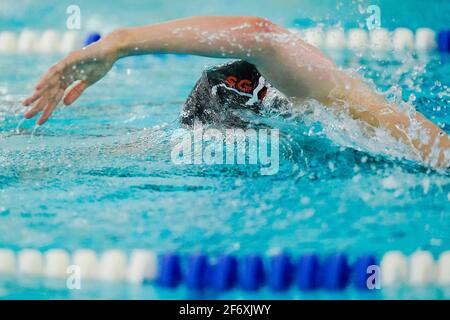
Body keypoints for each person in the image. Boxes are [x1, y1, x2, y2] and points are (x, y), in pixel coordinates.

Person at [22, 16, 449, 168]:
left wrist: (121, 43)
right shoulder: (329, 104)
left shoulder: (327, 103)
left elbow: (263, 40)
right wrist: (120, 42)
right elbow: (264, 39)